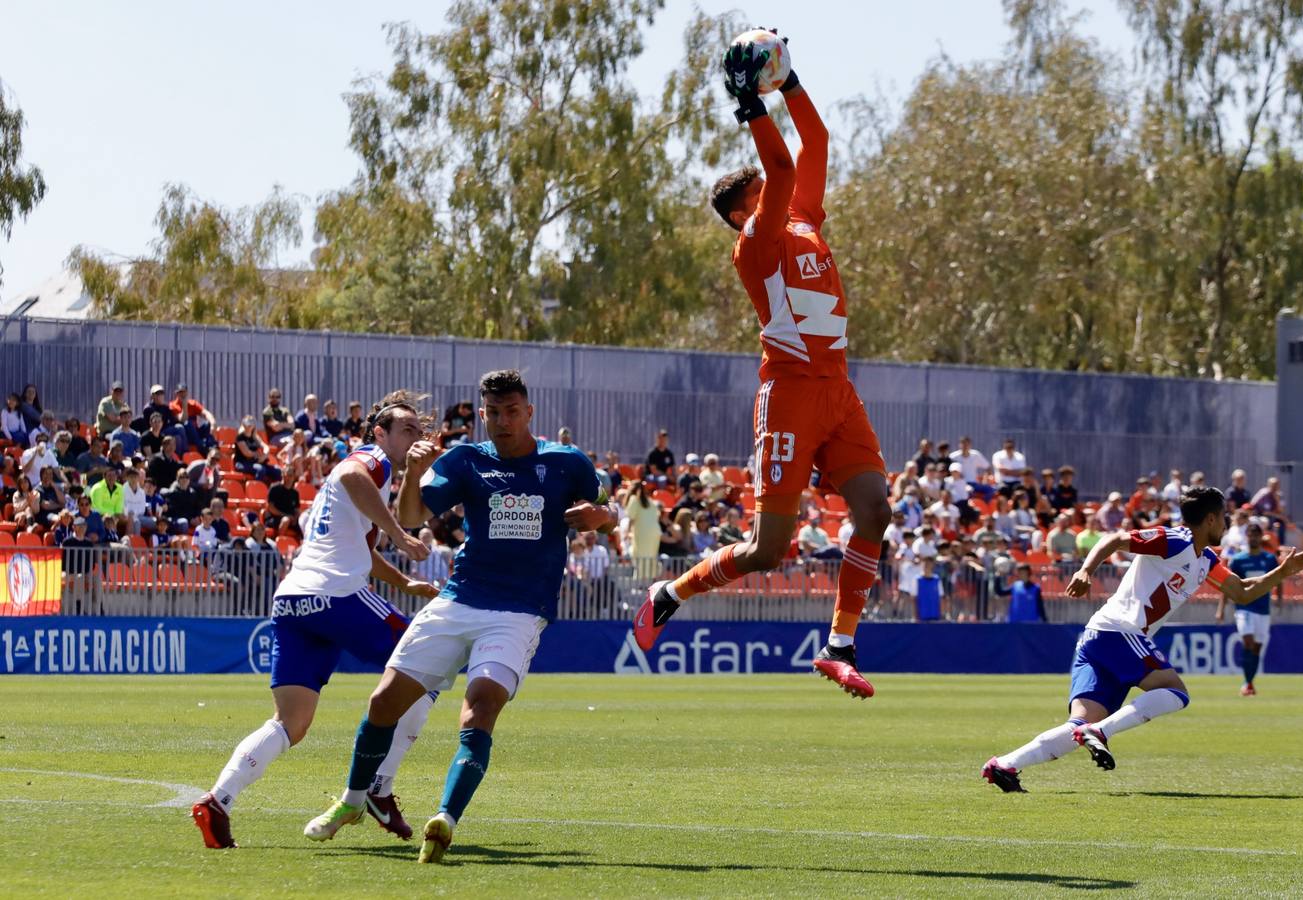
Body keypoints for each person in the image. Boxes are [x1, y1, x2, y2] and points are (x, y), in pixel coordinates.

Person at [632, 44, 891, 698]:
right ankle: (673, 590)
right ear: (745, 210)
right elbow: (780, 160)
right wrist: (749, 100)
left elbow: (815, 140)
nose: (772, 183)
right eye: (759, 188)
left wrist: (790, 80)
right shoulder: (758, 242)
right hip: (788, 396)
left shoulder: (801, 218)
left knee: (876, 511)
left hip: (836, 389)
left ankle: (838, 645)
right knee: (767, 550)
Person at [301, 369, 615, 864]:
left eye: (512, 411)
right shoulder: (466, 459)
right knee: (384, 702)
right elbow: (409, 519)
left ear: (528, 412)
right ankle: (352, 802)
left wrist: (605, 516)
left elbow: (606, 502)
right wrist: (411, 472)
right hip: (458, 599)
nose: (502, 421)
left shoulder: (564, 461)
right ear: (482, 412)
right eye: (493, 412)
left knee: (481, 702)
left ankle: (444, 819)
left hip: (519, 611)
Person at [191, 391, 438, 850]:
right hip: (334, 597)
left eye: (417, 431)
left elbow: (358, 549)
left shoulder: (359, 486)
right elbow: (349, 473)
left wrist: (405, 583)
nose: (413, 437)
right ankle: (378, 790)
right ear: (379, 432)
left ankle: (218, 801)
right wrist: (401, 535)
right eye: (406, 429)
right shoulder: (372, 460)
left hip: (292, 602)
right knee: (430, 663)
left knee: (291, 723)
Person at [981, 487, 1303, 793]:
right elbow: (1114, 539)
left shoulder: (1205, 559)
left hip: (1100, 636)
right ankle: (1102, 734)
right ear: (1212, 518)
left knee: (1080, 725)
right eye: (1224, 518)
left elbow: (1241, 591)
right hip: (1119, 631)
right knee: (1175, 692)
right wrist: (1086, 570)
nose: (1226, 525)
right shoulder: (1175, 541)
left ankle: (1005, 766)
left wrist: (1283, 573)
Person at [1215, 523, 1280, 696]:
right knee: (1248, 642)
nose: (1254, 538)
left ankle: (1250, 682)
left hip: (1263, 608)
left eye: (1256, 535)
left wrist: (1279, 598)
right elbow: (1228, 585)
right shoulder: (1238, 560)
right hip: (1244, 607)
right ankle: (1246, 682)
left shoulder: (1269, 559)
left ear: (1261, 537)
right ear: (1247, 537)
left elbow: (1278, 578)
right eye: (1251, 535)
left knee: (1257, 647)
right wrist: (1221, 608)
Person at [914, 556, 943, 621]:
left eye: (929, 564)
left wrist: (941, 614)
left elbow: (941, 598)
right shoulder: (917, 579)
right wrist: (915, 616)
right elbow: (913, 598)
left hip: (935, 615)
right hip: (921, 616)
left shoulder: (937, 579)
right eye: (925, 563)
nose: (927, 566)